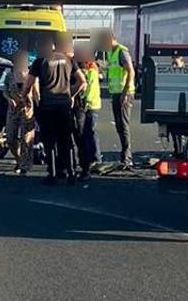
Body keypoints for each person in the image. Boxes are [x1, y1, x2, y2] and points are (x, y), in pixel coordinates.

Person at [23, 33, 85, 185]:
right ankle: (71, 172)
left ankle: (53, 173)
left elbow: (29, 83)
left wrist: (24, 97)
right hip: (64, 106)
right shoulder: (69, 60)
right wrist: (70, 95)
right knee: (66, 140)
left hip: (48, 106)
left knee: (50, 141)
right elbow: (82, 81)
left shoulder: (41, 61)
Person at [100, 29, 136, 168]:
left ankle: (127, 157)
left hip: (124, 93)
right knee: (119, 126)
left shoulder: (121, 51)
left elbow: (131, 71)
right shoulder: (111, 52)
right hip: (116, 93)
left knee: (124, 125)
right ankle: (124, 156)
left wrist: (125, 92)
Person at [73, 43, 103, 183]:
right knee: (89, 132)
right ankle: (94, 158)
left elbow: (85, 87)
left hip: (87, 105)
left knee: (85, 134)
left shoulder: (87, 69)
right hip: (92, 104)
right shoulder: (93, 67)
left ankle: (92, 159)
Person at [3, 49, 36, 175]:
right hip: (13, 109)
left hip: (27, 109)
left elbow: (36, 93)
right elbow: (5, 90)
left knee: (26, 138)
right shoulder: (10, 75)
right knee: (10, 137)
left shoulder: (31, 75)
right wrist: (9, 99)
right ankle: (18, 159)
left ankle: (25, 165)